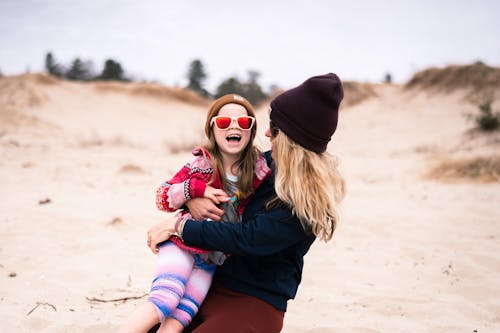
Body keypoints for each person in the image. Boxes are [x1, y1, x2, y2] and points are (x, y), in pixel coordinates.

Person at [147, 73, 346, 333]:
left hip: (255, 303)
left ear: (292, 139)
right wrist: (196, 196)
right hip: (210, 286)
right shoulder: (263, 166)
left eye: (274, 128)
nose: (265, 133)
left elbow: (248, 238)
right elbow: (218, 179)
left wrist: (179, 227)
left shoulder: (307, 201)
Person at [120, 94, 272, 333]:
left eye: (243, 122)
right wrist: (193, 191)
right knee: (164, 300)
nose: (234, 126)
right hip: (183, 243)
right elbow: (163, 196)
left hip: (212, 258)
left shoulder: (259, 169)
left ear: (252, 131)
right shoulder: (200, 165)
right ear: (212, 129)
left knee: (181, 317)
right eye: (224, 122)